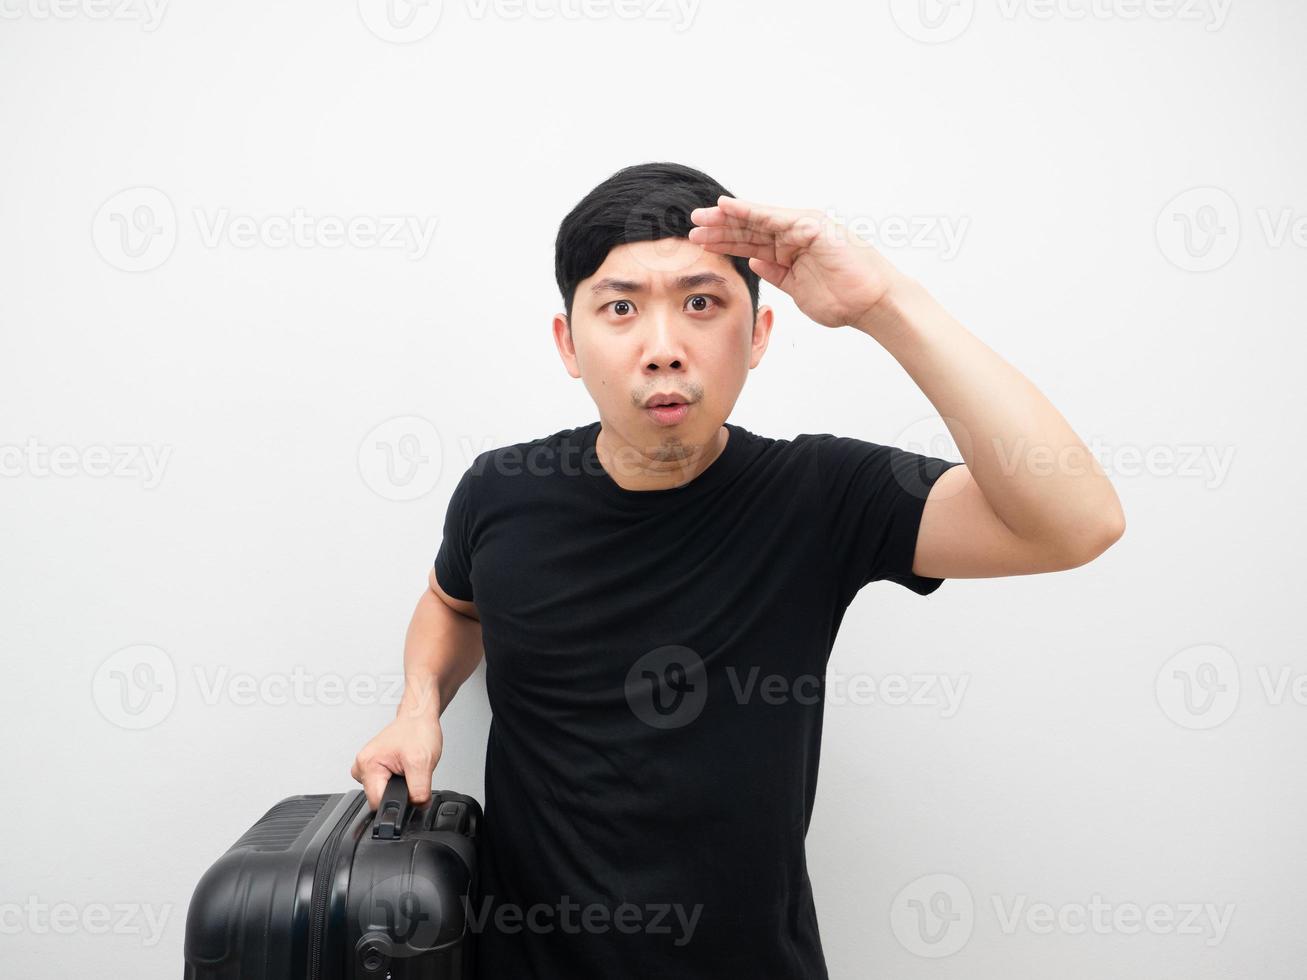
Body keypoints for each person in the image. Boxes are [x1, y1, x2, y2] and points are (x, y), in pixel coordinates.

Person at [350, 161, 1125, 978]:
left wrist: (884, 305)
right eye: (619, 308)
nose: (661, 349)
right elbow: (454, 605)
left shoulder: (824, 495)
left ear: (756, 335)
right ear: (567, 342)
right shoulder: (500, 491)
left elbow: (1075, 525)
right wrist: (417, 704)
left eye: (700, 304)